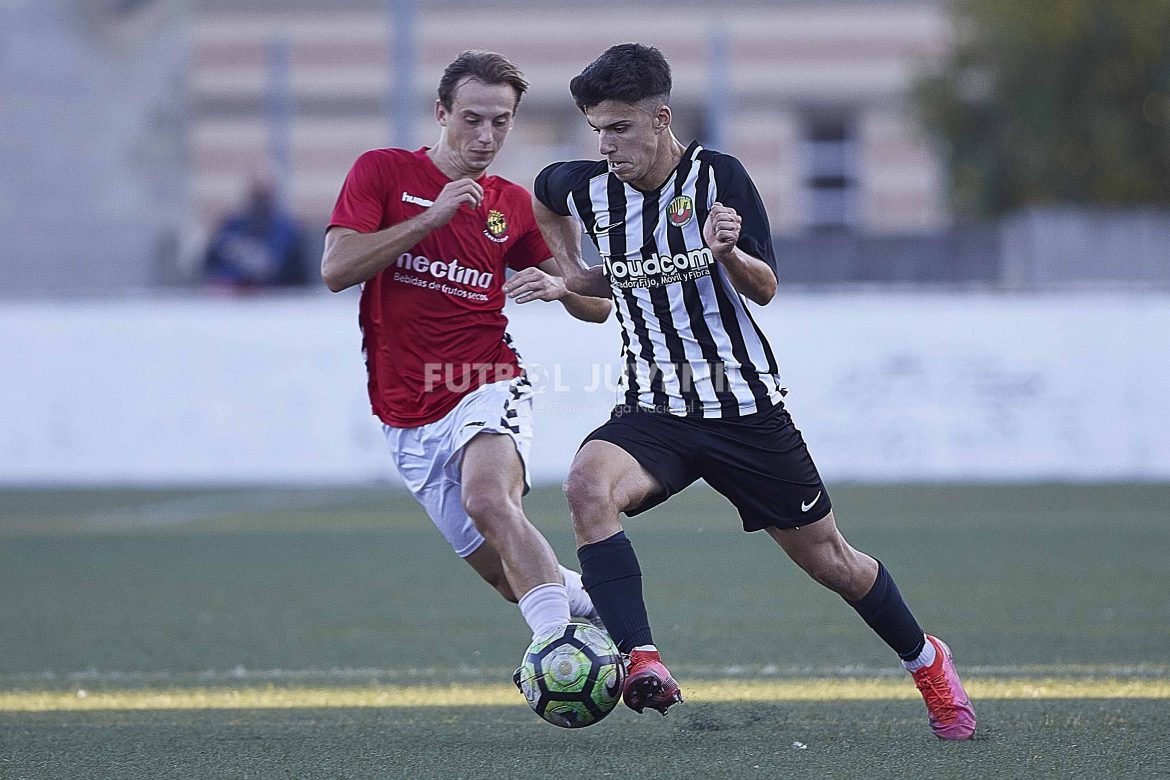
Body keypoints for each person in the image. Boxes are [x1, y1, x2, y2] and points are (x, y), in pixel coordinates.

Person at [529, 43, 976, 739]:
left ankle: (927, 661)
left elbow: (764, 288)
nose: (605, 144)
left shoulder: (719, 179)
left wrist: (728, 252)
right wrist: (568, 273)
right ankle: (642, 658)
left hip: (744, 411)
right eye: (596, 130)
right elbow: (546, 195)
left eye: (618, 128)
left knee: (834, 563)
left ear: (660, 119)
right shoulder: (586, 186)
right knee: (587, 485)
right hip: (655, 407)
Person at [321, 51, 613, 645]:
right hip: (404, 410)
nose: (486, 136)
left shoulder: (515, 204)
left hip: (483, 379)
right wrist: (432, 218)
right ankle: (595, 603)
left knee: (488, 498)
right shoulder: (382, 172)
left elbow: (596, 305)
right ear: (441, 113)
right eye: (473, 119)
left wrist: (561, 288)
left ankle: (555, 648)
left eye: (501, 122)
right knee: (509, 578)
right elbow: (336, 268)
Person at [205, 175, 307, 291]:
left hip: (272, 296)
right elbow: (209, 261)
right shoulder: (232, 226)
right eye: (256, 197)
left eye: (263, 198)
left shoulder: (287, 230)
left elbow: (298, 275)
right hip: (232, 295)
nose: (259, 204)